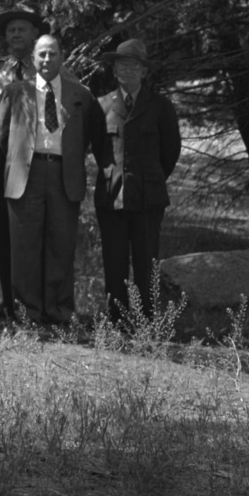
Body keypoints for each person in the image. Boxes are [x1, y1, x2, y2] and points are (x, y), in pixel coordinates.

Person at [0, 33, 109, 329]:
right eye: (42, 54)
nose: (47, 60)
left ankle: (59, 312)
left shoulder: (80, 96)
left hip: (63, 174)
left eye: (53, 54)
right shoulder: (14, 91)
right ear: (33, 59)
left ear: (62, 57)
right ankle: (27, 314)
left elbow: (95, 137)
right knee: (24, 248)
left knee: (61, 245)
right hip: (26, 176)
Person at [93, 38, 182, 324]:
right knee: (114, 262)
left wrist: (150, 178)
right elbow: (99, 150)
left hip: (148, 197)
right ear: (114, 69)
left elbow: (170, 152)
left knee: (146, 263)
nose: (126, 70)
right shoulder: (102, 105)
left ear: (144, 71)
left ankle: (145, 323)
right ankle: (117, 321)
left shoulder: (160, 106)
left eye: (133, 65)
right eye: (121, 65)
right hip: (111, 196)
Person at [0, 4, 43, 325]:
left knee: (32, 237)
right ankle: (7, 303)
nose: (16, 34)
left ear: (35, 34)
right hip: (1, 162)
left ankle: (33, 304)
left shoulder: (46, 67)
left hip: (35, 163)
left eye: (22, 29)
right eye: (11, 30)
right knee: (3, 235)